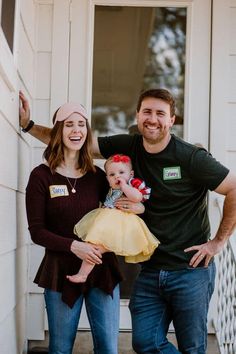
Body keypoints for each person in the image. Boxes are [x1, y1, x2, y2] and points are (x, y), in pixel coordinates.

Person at [20, 89, 236, 354]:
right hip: (150, 269)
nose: (153, 119)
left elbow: (234, 188)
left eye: (160, 113)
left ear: (172, 119)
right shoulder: (129, 146)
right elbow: (74, 140)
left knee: (192, 347)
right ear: (137, 115)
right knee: (145, 342)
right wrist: (28, 125)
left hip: (189, 270)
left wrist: (217, 242)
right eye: (147, 111)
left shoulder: (190, 157)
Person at [24, 101, 144, 354]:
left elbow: (119, 208)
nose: (76, 130)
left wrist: (137, 208)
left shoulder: (98, 176)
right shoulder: (41, 176)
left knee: (108, 348)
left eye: (81, 124)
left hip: (102, 269)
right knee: (60, 348)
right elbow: (37, 231)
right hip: (60, 271)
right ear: (58, 131)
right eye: (69, 124)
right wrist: (74, 246)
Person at [67, 153, 159, 283]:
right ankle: (83, 274)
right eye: (112, 174)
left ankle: (83, 274)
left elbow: (137, 197)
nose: (117, 176)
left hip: (122, 222)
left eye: (121, 172)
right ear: (107, 178)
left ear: (131, 175)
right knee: (93, 246)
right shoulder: (111, 188)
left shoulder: (130, 185)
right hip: (107, 219)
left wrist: (125, 186)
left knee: (94, 247)